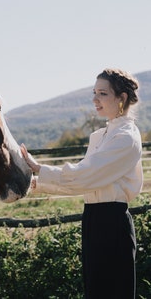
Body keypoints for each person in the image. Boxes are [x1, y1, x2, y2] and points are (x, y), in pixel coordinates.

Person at [21, 68, 143, 299]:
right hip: (93, 219)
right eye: (94, 92)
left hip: (113, 223)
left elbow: (85, 175)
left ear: (122, 98)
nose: (95, 99)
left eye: (103, 94)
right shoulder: (100, 137)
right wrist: (37, 182)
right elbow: (83, 184)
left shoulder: (126, 138)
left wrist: (40, 168)